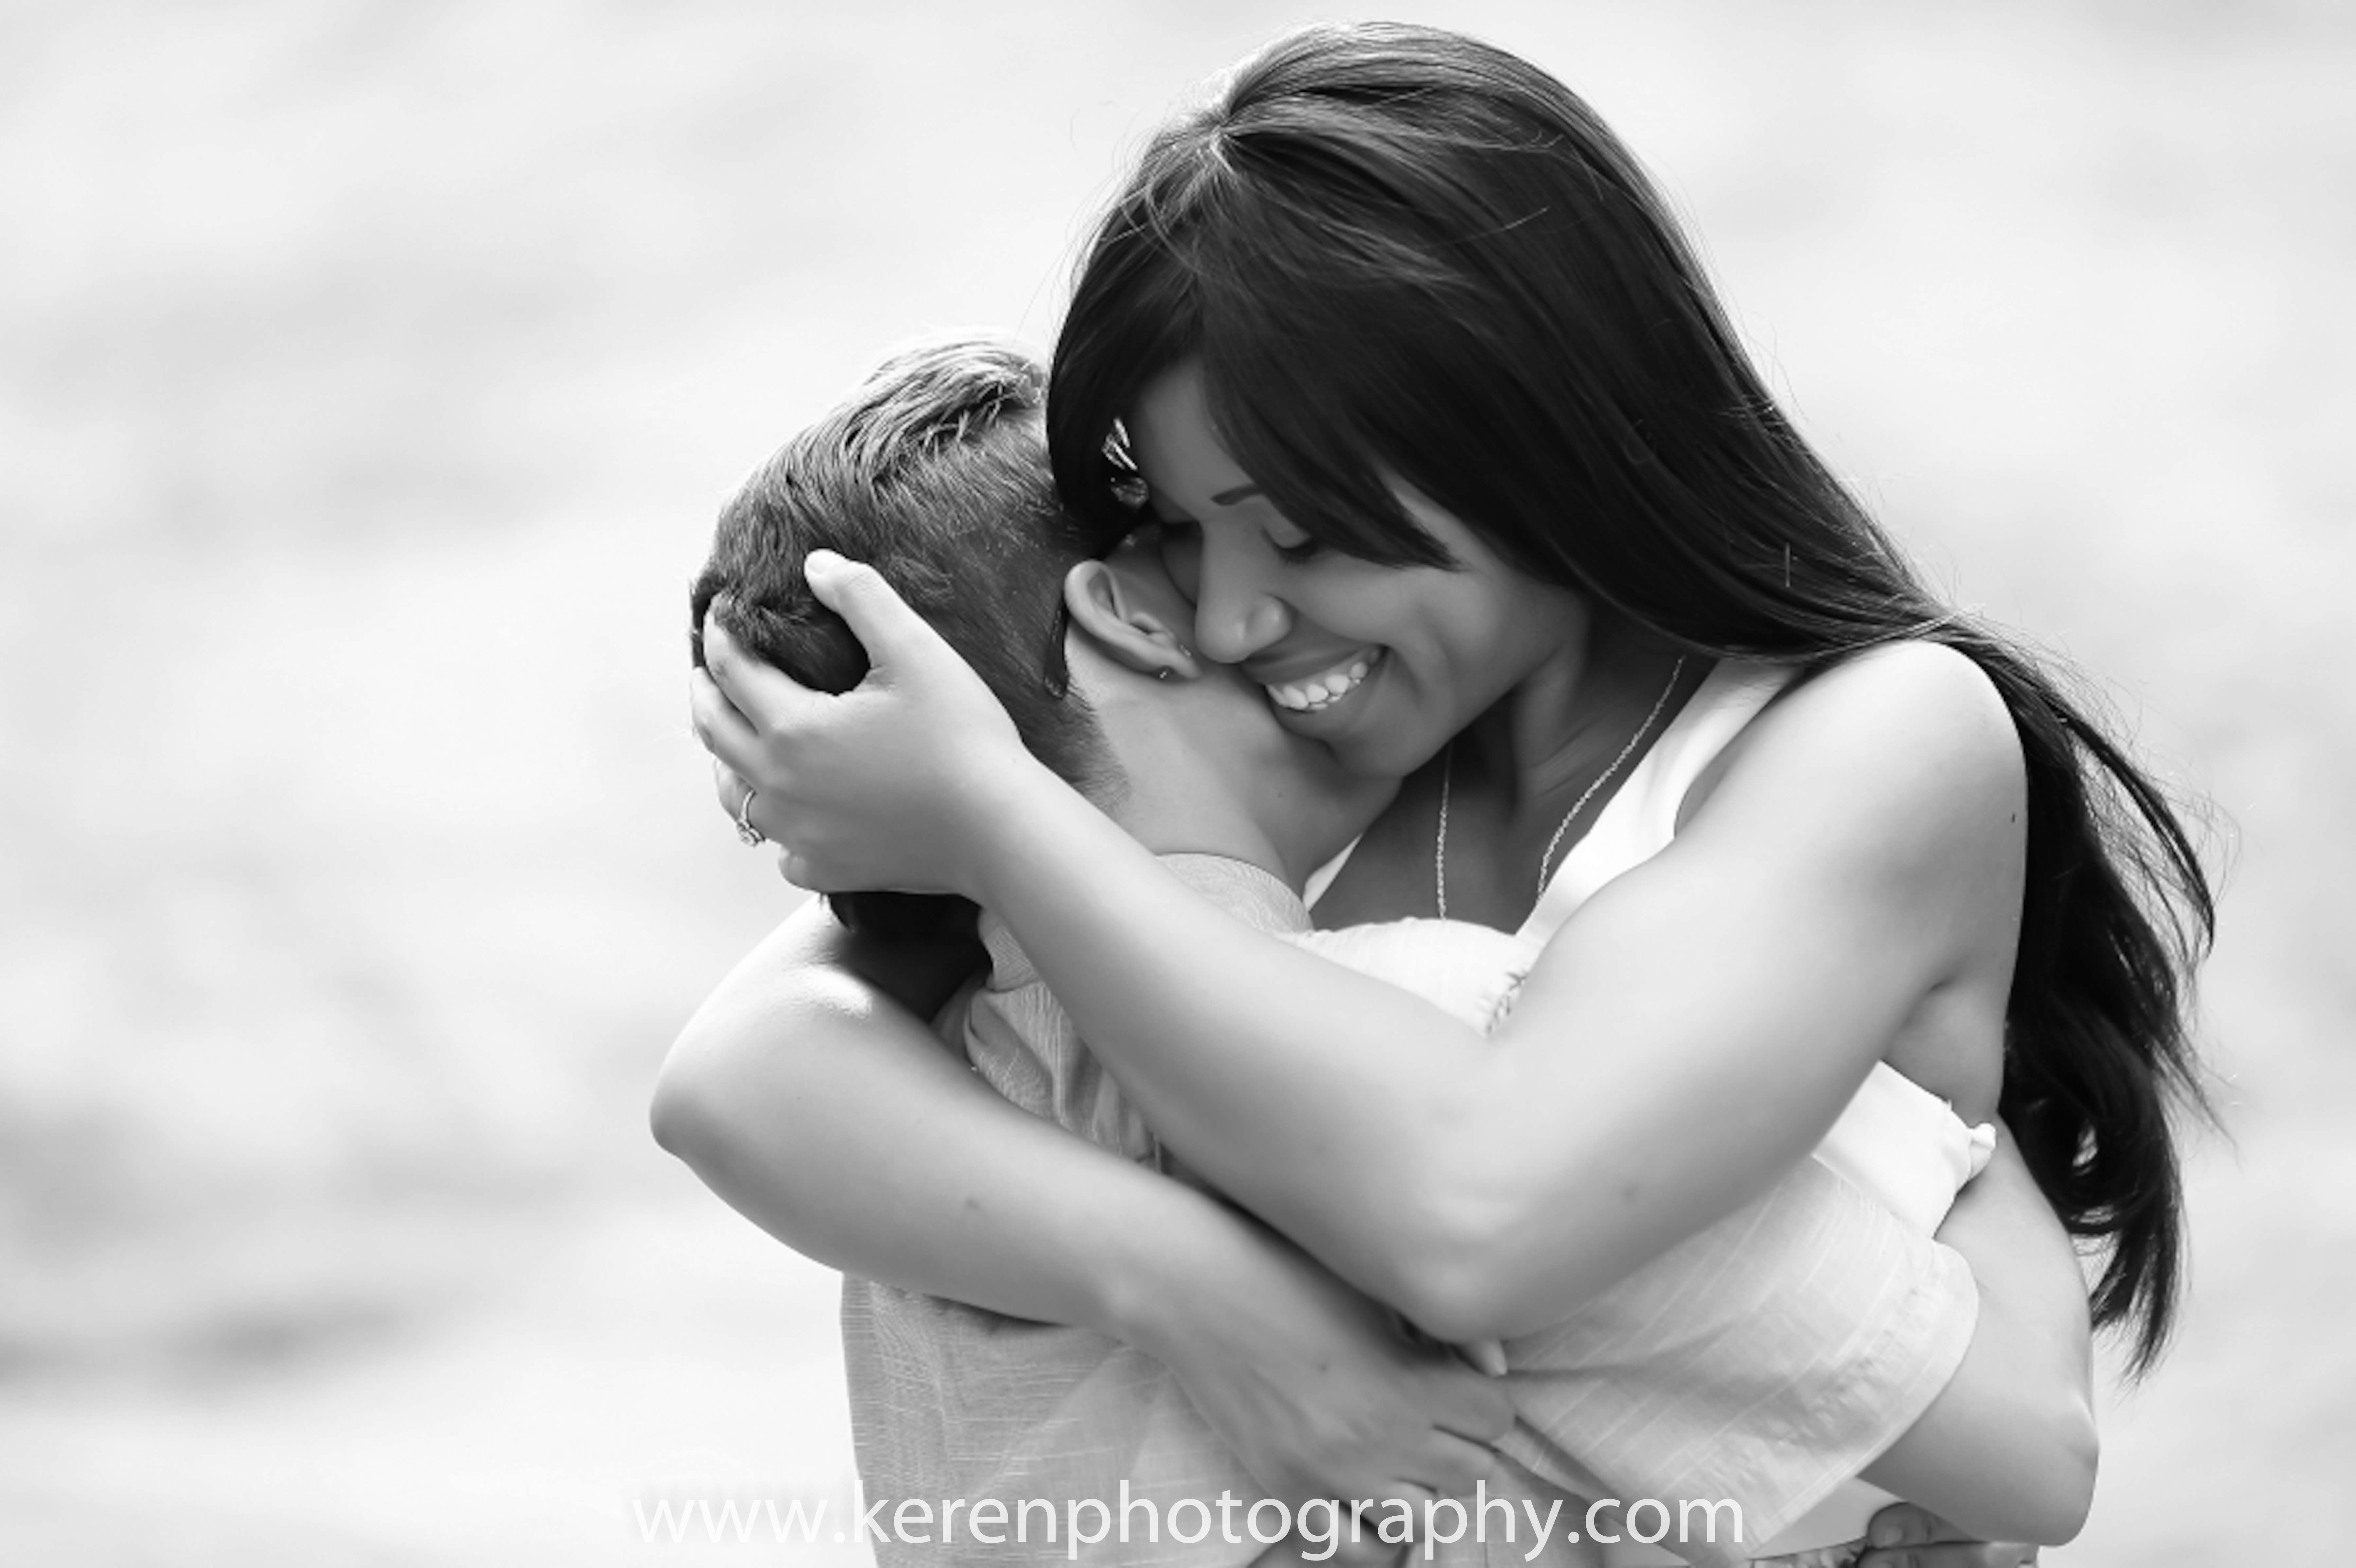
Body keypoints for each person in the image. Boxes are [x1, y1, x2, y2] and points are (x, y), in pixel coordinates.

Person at [672, 23, 2211, 1568]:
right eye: (1191, 536)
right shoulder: (1319, 777)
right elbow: (741, 1074)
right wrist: (1207, 1295)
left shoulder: (1858, 741)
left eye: (1296, 530)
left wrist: (998, 807)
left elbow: (1484, 1212)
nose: (1229, 618)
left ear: (1522, 432)